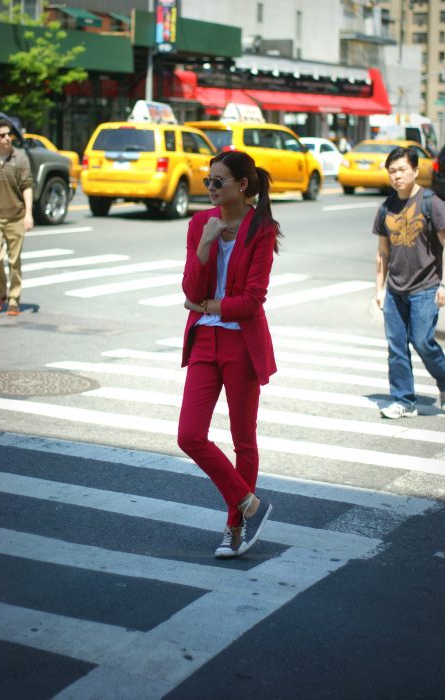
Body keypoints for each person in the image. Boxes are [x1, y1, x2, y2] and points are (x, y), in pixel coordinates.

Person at [177, 150, 281, 558]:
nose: (210, 188)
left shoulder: (262, 228)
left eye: (217, 182)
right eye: (208, 181)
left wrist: (207, 307)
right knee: (189, 435)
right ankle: (252, 505)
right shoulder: (201, 223)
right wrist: (204, 247)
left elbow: (251, 301)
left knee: (243, 440)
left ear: (242, 185)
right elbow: (190, 290)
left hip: (242, 342)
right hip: (204, 341)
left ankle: (235, 528)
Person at [373, 145, 445, 418]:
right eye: (392, 171)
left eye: (402, 169)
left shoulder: (432, 203)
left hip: (426, 287)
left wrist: (444, 285)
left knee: (423, 342)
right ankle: (403, 400)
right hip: (395, 290)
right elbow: (382, 253)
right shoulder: (386, 208)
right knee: (396, 347)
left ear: (415, 170)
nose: (397, 176)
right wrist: (379, 289)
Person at [0, 118, 34, 315]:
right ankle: (0, 293)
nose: (7, 138)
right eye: (2, 135)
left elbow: (27, 187)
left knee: (14, 260)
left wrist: (29, 214)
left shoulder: (21, 158)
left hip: (16, 216)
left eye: (9, 134)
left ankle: (14, 299)